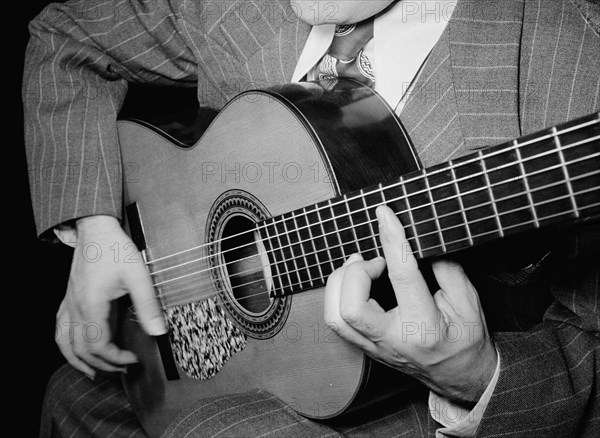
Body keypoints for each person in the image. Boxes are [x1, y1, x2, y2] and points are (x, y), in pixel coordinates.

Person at [23, 0, 599, 437]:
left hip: (410, 412)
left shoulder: (578, 58)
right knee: (70, 395)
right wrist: (94, 225)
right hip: (223, 358)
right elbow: (66, 36)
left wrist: (475, 376)